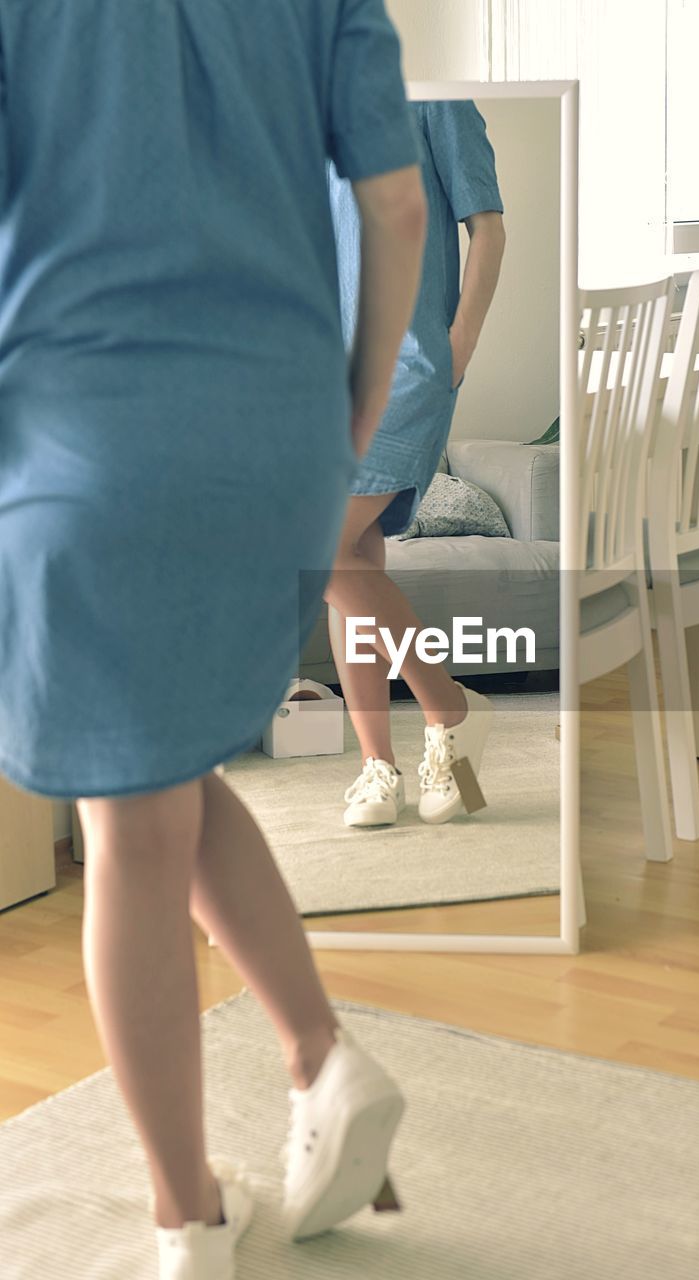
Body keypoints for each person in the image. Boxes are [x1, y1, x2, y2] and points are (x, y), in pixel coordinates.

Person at [0, 2, 427, 1277]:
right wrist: (349, 409)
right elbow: (397, 208)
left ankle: (186, 1217)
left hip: (87, 435)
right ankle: (321, 1057)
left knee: (129, 813)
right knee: (169, 767)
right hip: (277, 431)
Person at [325, 101, 507, 829]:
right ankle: (380, 767)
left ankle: (450, 705)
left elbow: (487, 227)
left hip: (405, 362)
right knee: (352, 560)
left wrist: (460, 341)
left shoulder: (434, 91)